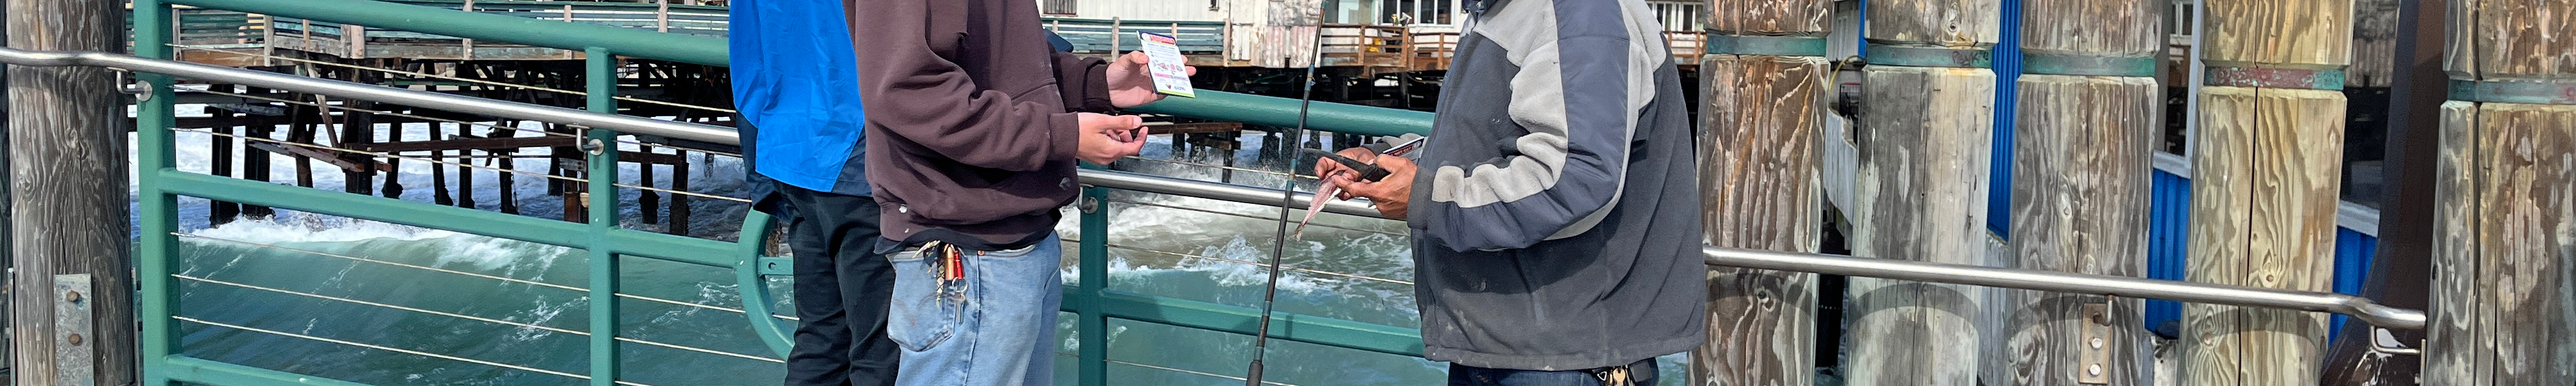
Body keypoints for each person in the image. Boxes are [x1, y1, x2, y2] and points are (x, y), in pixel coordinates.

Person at [1315, 0, 1706, 385]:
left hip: (1564, 354)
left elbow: (1575, 176)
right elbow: (1489, 141)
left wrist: (1429, 197)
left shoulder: (1582, 14)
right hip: (1508, 341)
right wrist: (1384, 161)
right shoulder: (1503, 9)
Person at [843, 0, 1181, 384]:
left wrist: (1097, 84)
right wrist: (1059, 135)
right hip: (966, 249)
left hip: (1009, 240)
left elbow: (1007, 63)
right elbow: (909, 93)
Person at [726, 1, 900, 385]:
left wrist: (763, 173)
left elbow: (748, 62)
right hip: (867, 162)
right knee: (884, 351)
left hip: (794, 156)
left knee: (822, 340)